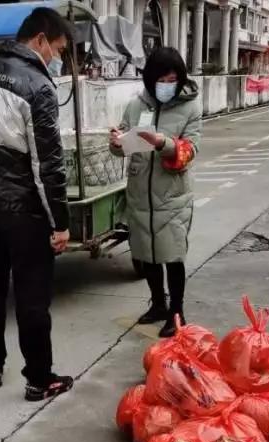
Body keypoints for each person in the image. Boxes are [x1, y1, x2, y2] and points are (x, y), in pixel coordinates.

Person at [0, 8, 74, 401]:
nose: (56, 58)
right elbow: (48, 165)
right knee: (31, 298)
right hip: (24, 211)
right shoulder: (37, 86)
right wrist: (60, 222)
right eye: (57, 49)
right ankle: (39, 379)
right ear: (40, 39)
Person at [110, 47, 201, 338]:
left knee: (172, 256)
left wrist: (163, 143)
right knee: (146, 255)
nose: (167, 84)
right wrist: (116, 141)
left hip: (172, 197)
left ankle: (177, 312)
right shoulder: (137, 105)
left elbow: (190, 150)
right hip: (140, 194)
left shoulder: (190, 108)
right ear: (150, 79)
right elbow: (121, 144)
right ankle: (158, 305)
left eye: (172, 79)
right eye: (161, 78)